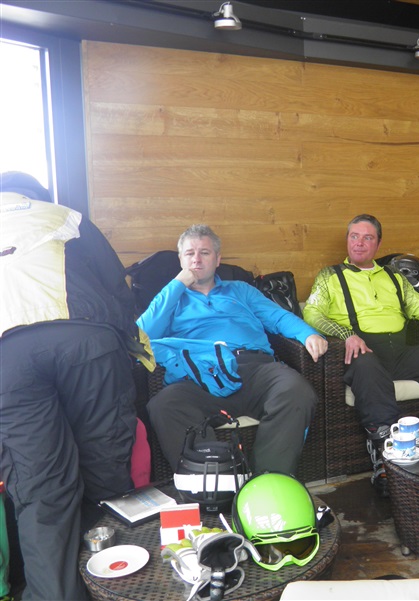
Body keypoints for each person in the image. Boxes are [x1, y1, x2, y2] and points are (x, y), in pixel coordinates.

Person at [0, 172, 147, 600]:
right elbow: (118, 289)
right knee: (104, 468)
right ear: (38, 195)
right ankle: (115, 584)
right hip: (86, 341)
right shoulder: (66, 215)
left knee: (41, 488)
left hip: (8, 356)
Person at [303, 214, 419, 495]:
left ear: (378, 244)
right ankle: (387, 457)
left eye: (367, 237)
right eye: (354, 236)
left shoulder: (393, 276)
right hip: (362, 350)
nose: (359, 243)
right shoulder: (329, 276)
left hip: (401, 351)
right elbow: (312, 312)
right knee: (367, 366)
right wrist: (346, 334)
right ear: (347, 240)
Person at [137, 224, 327, 477]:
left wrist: (309, 334)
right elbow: (141, 336)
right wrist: (178, 285)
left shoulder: (241, 290)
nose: (196, 259)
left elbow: (278, 317)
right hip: (202, 377)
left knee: (296, 390)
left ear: (217, 259)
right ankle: (213, 483)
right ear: (180, 260)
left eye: (204, 252)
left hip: (256, 369)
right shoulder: (171, 299)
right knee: (165, 404)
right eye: (189, 253)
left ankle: (267, 481)